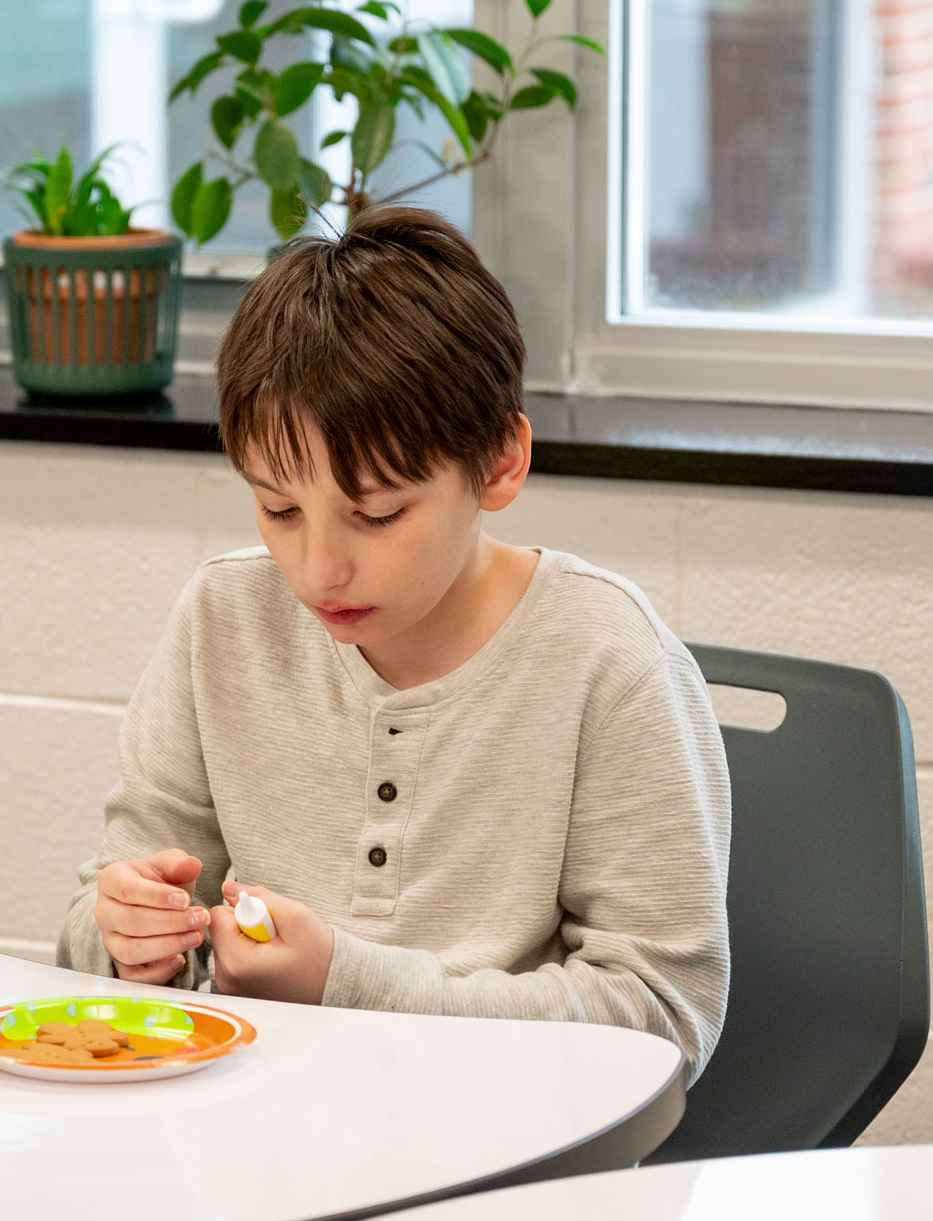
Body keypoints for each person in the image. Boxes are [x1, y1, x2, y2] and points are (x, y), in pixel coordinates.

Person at [54, 205, 731, 1079]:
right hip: (261, 1136)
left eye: (376, 514)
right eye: (279, 509)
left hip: (509, 1159)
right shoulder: (224, 615)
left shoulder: (612, 663)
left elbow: (664, 1020)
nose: (318, 569)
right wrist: (126, 941)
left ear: (498, 463)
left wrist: (347, 978)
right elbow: (98, 925)